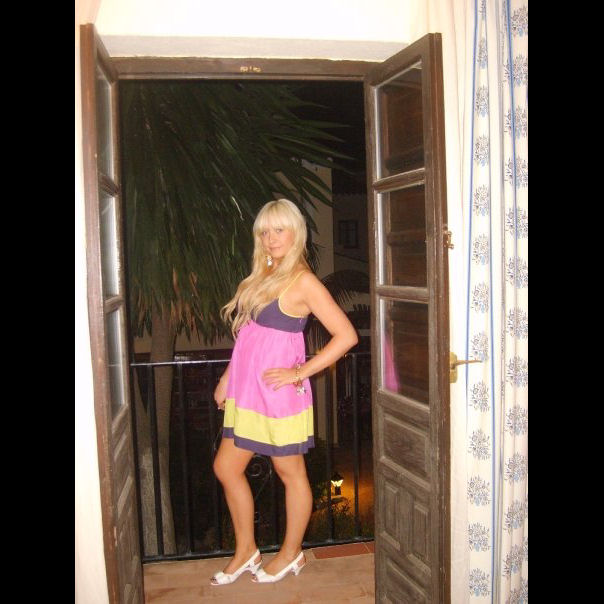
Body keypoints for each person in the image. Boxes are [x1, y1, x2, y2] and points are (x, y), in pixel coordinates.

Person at [210, 198, 358, 585]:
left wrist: (300, 371)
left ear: (296, 233)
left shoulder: (303, 281)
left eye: (279, 230)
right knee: (226, 467)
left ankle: (292, 553)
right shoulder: (264, 274)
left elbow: (346, 335)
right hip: (247, 391)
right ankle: (246, 551)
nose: (271, 238)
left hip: (278, 395)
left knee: (289, 472)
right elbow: (248, 336)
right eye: (264, 231)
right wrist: (227, 377)